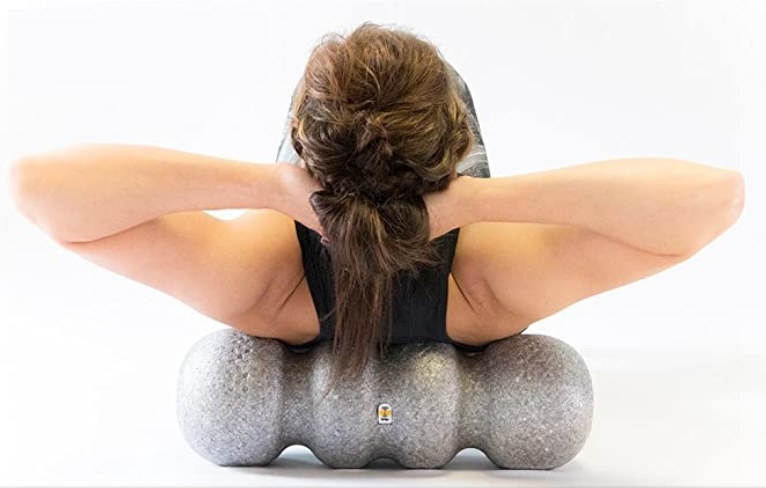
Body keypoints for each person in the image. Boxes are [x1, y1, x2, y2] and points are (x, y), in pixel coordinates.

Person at [8, 22, 745, 395]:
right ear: (458, 148)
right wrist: (479, 203)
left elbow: (36, 186)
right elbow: (717, 198)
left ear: (299, 143)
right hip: (448, 235)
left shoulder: (267, 283)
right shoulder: (482, 287)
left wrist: (267, 187)